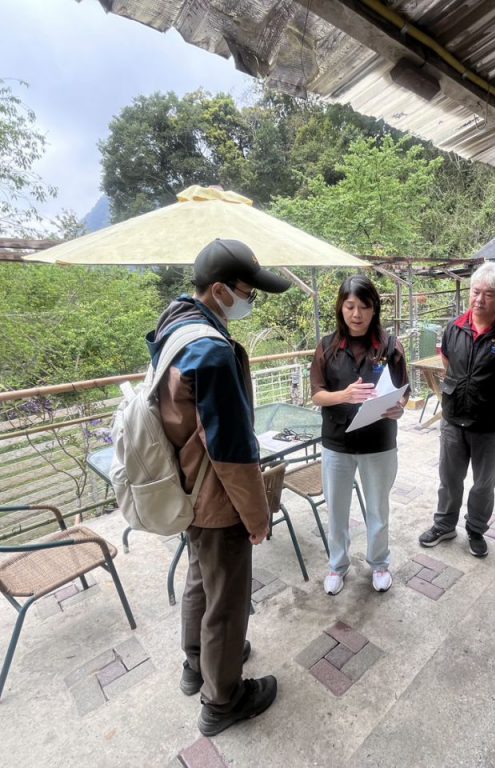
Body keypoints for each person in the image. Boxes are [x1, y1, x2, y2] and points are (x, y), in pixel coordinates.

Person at [152, 238, 290, 736]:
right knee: (227, 602)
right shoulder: (211, 351)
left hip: (186, 488)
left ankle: (197, 665)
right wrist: (257, 516)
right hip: (217, 496)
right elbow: (231, 450)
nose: (251, 300)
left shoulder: (176, 326)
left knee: (199, 579)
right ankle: (222, 699)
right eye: (247, 291)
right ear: (218, 290)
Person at [418, 261, 495, 558]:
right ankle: (444, 525)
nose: (480, 299)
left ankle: (476, 529)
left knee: (483, 484)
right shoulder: (454, 327)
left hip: (490, 422)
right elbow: (448, 364)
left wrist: (489, 393)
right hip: (454, 418)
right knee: (449, 479)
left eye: (489, 294)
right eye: (475, 291)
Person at [309, 276, 409, 595]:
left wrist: (399, 408)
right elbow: (316, 395)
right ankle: (337, 567)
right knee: (337, 509)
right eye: (350, 306)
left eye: (364, 307)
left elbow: (404, 393)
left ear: (374, 309)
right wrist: (345, 395)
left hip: (379, 444)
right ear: (340, 307)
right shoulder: (326, 346)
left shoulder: (390, 346)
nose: (356, 314)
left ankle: (379, 563)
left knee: (378, 508)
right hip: (337, 444)